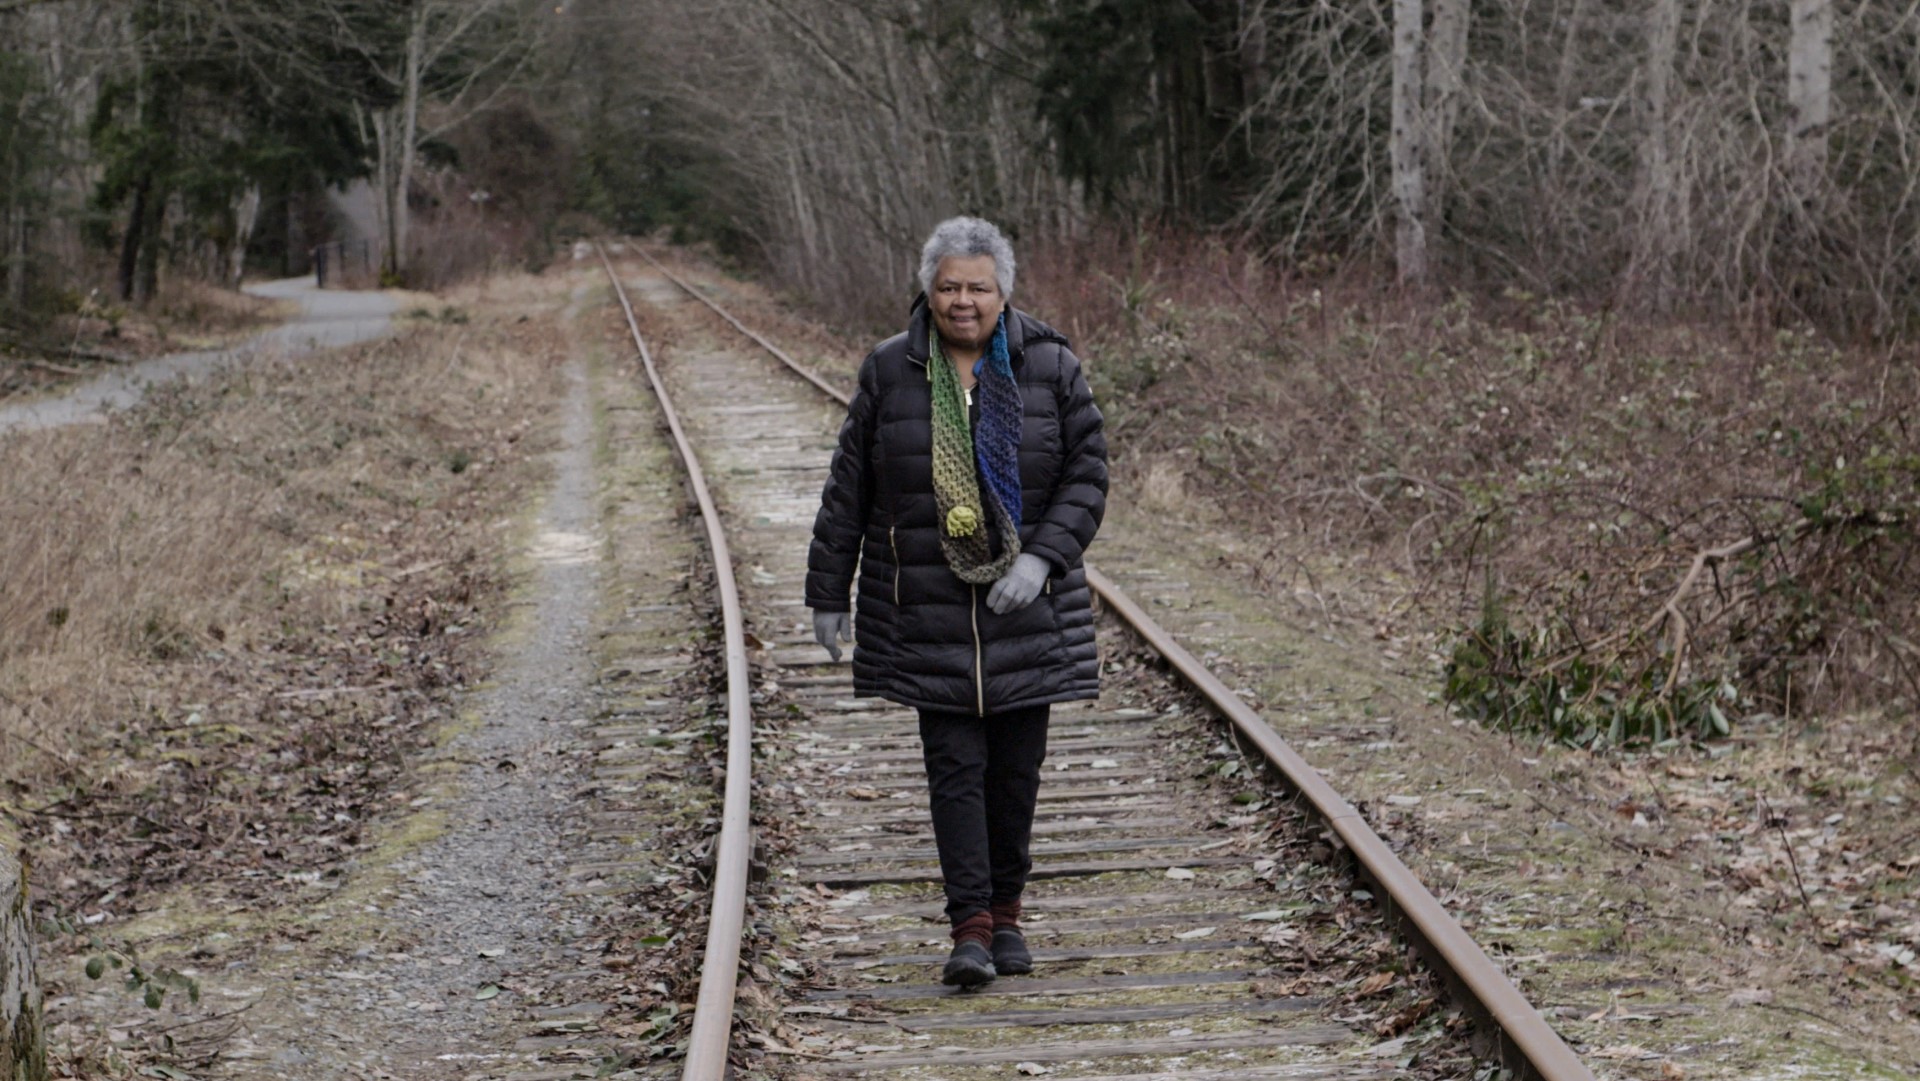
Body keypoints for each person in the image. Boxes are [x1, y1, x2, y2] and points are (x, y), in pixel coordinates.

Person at [806, 216, 1108, 987]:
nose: (962, 301)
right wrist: (827, 592)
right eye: (948, 286)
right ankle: (970, 927)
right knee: (953, 768)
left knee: (1015, 774)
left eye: (977, 286)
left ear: (1003, 290)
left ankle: (1008, 916)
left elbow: (1087, 475)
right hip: (926, 610)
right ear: (927, 290)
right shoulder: (889, 370)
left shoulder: (1051, 365)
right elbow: (851, 491)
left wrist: (1042, 559)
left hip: (1028, 611)